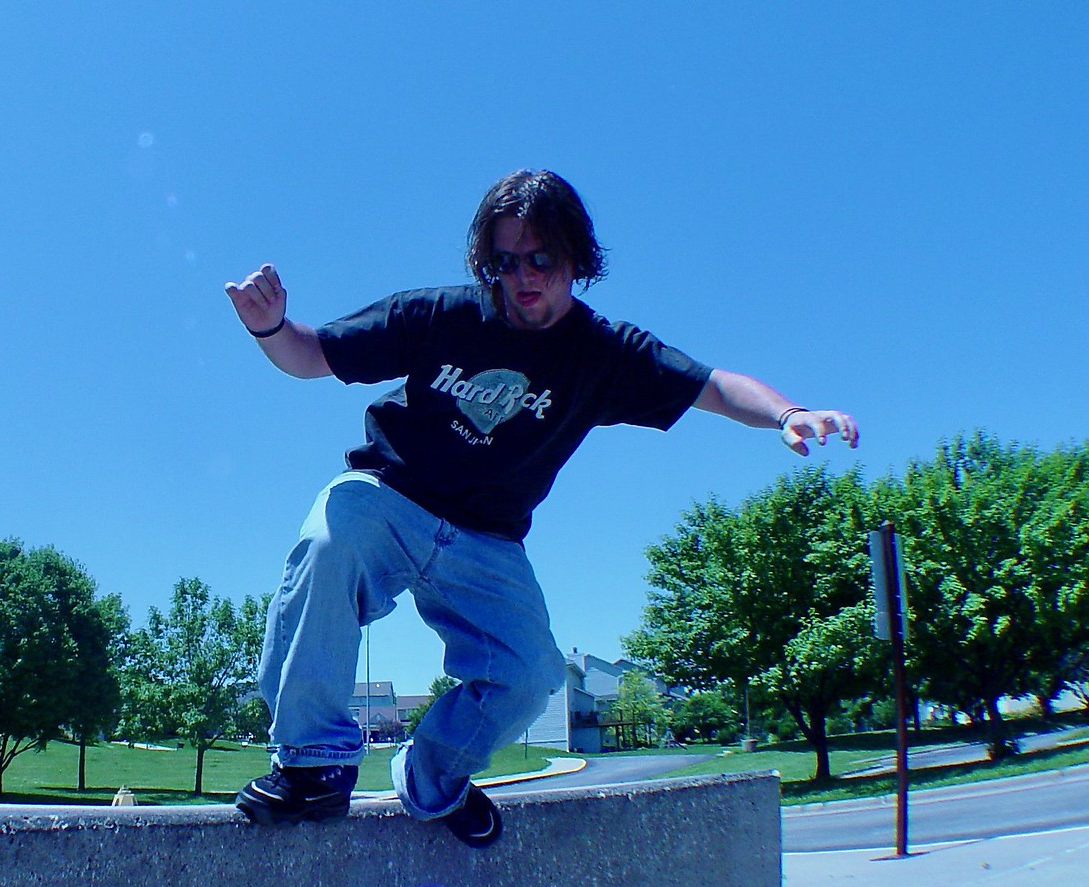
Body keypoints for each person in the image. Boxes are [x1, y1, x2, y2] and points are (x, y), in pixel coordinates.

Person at [224, 169, 857, 848]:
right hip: (390, 502)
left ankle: (433, 775)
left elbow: (712, 386)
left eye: (541, 260)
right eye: (505, 262)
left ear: (576, 258)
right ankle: (312, 766)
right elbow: (312, 354)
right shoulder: (439, 315)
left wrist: (786, 413)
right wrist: (270, 327)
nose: (522, 278)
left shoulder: (604, 354)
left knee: (530, 676)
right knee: (330, 536)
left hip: (487, 541)